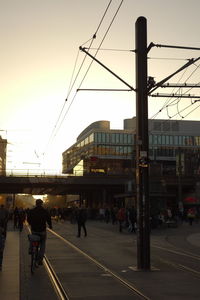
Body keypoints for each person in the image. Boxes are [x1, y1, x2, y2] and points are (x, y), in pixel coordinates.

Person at [27, 199, 52, 265]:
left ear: (36, 203)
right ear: (41, 204)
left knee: (32, 239)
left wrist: (31, 223)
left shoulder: (32, 211)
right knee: (42, 244)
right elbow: (48, 219)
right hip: (42, 231)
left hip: (34, 230)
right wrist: (50, 225)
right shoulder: (45, 211)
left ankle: (30, 249)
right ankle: (40, 259)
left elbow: (28, 219)